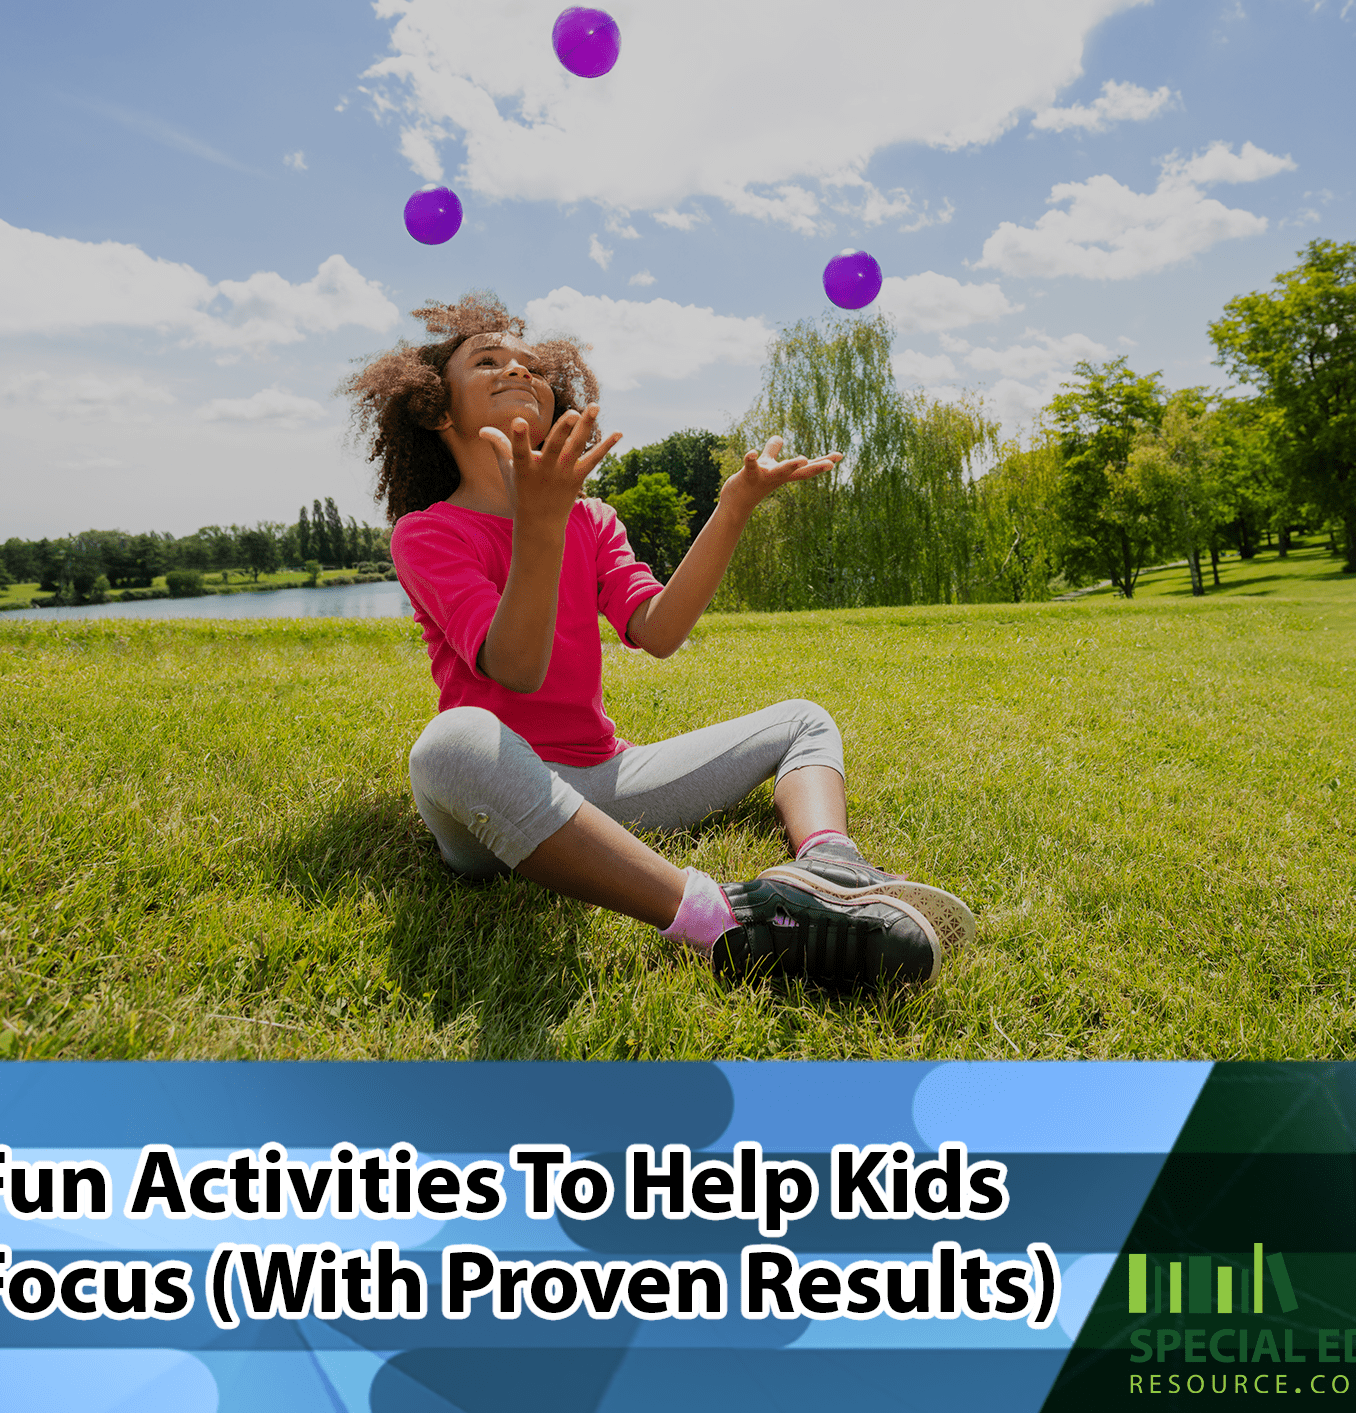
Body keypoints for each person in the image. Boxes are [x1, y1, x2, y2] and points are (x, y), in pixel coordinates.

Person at [340, 293, 973, 990]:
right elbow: (515, 667)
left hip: (604, 781)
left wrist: (732, 507)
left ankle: (831, 865)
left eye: (532, 365)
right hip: (492, 804)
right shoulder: (428, 532)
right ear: (436, 408)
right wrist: (540, 523)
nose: (518, 370)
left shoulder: (592, 519)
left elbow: (659, 629)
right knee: (449, 743)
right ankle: (723, 919)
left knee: (804, 720)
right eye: (487, 361)